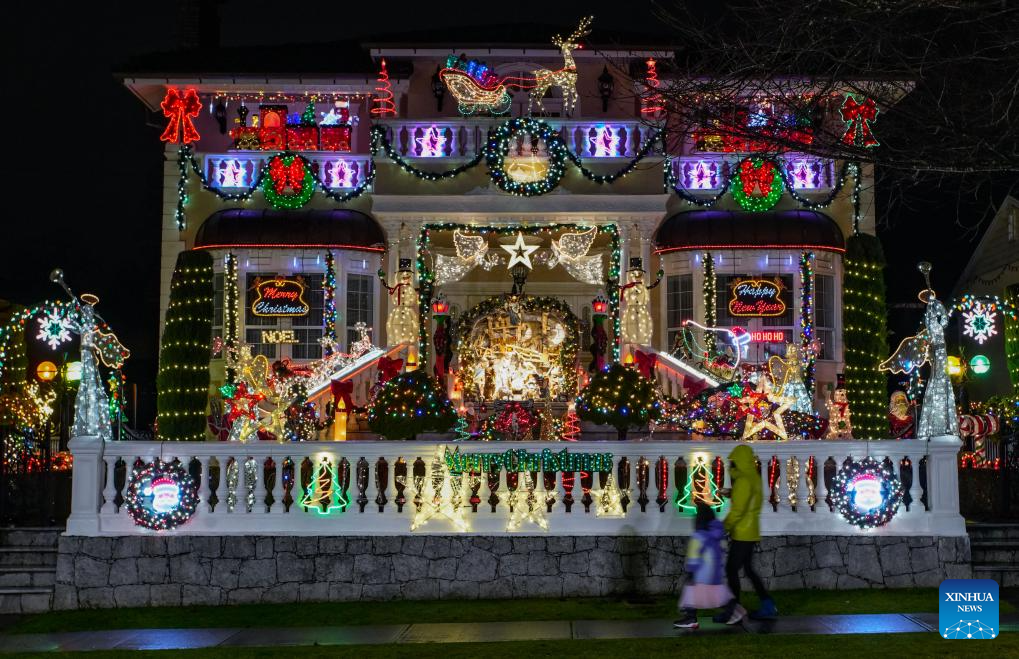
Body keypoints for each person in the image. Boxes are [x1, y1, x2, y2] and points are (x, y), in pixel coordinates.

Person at [715, 444, 776, 624]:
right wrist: (731, 493)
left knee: (731, 569)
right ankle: (768, 605)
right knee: (748, 570)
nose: (730, 465)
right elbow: (748, 498)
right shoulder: (753, 477)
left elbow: (738, 511)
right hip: (751, 530)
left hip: (742, 531)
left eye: (732, 462)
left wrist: (723, 527)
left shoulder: (742, 480)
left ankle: (735, 610)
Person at [674, 502, 732, 629]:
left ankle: (690, 617)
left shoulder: (698, 536)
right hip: (715, 575)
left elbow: (693, 557)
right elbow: (723, 552)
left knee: (690, 593)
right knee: (719, 595)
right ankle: (732, 611)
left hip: (701, 574)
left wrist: (690, 569)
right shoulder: (719, 535)